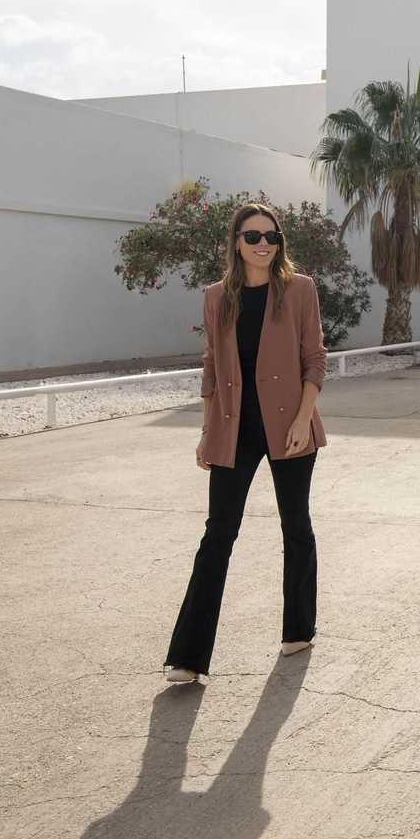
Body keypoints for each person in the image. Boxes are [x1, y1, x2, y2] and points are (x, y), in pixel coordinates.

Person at [165, 203, 328, 682]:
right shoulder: (217, 296)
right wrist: (206, 428)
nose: (263, 243)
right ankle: (188, 657)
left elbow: (314, 359)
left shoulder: (299, 290)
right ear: (236, 241)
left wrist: (303, 419)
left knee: (295, 524)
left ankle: (298, 628)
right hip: (235, 427)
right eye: (253, 235)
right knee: (218, 533)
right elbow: (213, 366)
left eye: (271, 236)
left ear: (279, 243)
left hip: (290, 426)